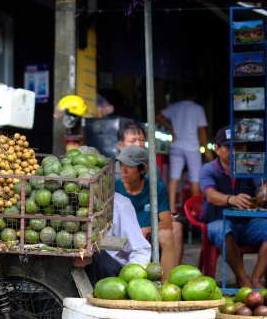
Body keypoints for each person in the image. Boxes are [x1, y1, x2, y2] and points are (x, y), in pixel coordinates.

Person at [198, 127, 267, 289]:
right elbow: (210, 195)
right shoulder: (208, 169)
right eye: (229, 147)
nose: (234, 151)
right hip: (215, 225)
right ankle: (243, 281)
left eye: (239, 147)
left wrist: (265, 188)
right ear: (217, 149)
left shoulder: (250, 165)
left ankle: (256, 279)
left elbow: (264, 191)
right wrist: (231, 199)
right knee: (224, 229)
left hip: (246, 225)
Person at [115, 122, 183, 264]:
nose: (138, 144)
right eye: (132, 141)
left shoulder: (154, 176)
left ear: (143, 169)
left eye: (141, 140)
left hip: (148, 225)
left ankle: (168, 281)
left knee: (172, 230)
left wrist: (157, 222)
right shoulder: (112, 179)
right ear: (120, 145)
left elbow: (158, 202)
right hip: (120, 230)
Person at [156, 84, 214, 213]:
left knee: (174, 177)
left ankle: (171, 207)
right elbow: (202, 131)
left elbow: (158, 116)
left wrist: (171, 129)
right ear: (195, 96)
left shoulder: (175, 107)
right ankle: (194, 209)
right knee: (195, 177)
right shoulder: (198, 108)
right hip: (192, 147)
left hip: (176, 146)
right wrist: (207, 150)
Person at [84, 192, 152, 286]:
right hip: (84, 271)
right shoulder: (70, 206)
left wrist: (127, 280)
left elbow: (141, 250)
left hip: (114, 274)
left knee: (95, 253)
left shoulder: (120, 204)